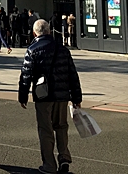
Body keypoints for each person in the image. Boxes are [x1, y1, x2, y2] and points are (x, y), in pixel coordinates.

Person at [19, 19, 82, 174]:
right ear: (49, 31)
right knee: (61, 127)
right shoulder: (62, 49)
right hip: (61, 95)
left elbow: (26, 75)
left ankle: (49, 165)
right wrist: (76, 97)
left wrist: (23, 96)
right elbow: (72, 74)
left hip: (43, 95)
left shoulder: (32, 49)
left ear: (35, 33)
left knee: (45, 129)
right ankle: (64, 159)